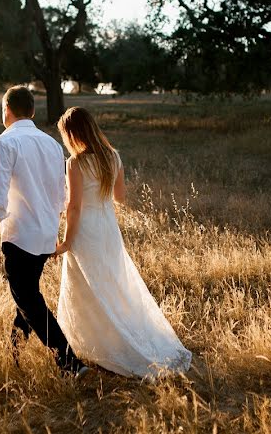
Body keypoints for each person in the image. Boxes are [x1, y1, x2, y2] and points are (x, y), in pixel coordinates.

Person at [54, 106, 192, 378]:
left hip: (86, 230)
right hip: (107, 227)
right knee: (113, 282)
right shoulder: (113, 157)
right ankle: (113, 337)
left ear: (73, 134)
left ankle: (99, 344)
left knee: (87, 286)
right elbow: (120, 198)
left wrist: (66, 242)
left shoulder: (76, 163)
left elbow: (75, 208)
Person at [0, 86, 88, 378]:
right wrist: (53, 230)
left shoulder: (5, 142)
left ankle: (69, 363)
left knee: (27, 298)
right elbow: (59, 195)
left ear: (7, 109)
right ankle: (14, 353)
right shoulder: (52, 144)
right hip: (44, 235)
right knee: (27, 297)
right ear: (31, 110)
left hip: (19, 236)